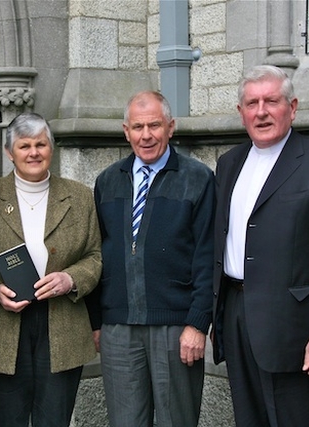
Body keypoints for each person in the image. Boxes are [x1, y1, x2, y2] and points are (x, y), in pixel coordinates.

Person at [211, 65, 309, 426]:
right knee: (249, 418)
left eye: (271, 101)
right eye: (252, 103)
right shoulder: (229, 163)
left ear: (292, 107)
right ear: (241, 112)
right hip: (235, 314)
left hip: (293, 326)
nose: (261, 111)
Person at [0, 112, 102, 427]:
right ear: (9, 152)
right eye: (24, 146)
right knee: (5, 420)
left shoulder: (80, 197)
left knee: (54, 419)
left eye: (41, 144)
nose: (34, 153)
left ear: (51, 149)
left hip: (62, 324)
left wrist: (71, 279)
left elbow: (95, 256)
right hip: (2, 324)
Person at [89, 91, 215, 426]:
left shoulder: (197, 178)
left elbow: (208, 255)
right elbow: (97, 251)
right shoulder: (107, 181)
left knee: (177, 421)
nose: (146, 135)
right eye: (138, 126)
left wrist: (198, 323)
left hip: (175, 328)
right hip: (119, 328)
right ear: (125, 130)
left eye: (154, 125)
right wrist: (97, 321)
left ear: (171, 127)